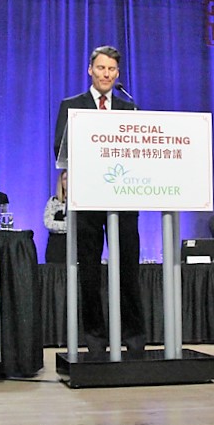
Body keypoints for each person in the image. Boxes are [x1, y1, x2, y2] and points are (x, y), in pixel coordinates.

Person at [52, 45, 145, 358]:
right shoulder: (72, 106)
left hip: (124, 200)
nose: (106, 74)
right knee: (90, 274)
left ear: (117, 74)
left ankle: (134, 339)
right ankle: (94, 339)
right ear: (90, 70)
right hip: (88, 202)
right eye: (101, 68)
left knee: (129, 272)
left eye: (111, 69)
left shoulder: (129, 109)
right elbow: (60, 148)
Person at [43, 169, 68, 263]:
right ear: (61, 182)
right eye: (65, 178)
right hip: (56, 245)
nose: (68, 181)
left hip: (75, 243)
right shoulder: (53, 201)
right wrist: (68, 226)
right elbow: (48, 223)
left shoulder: (79, 204)